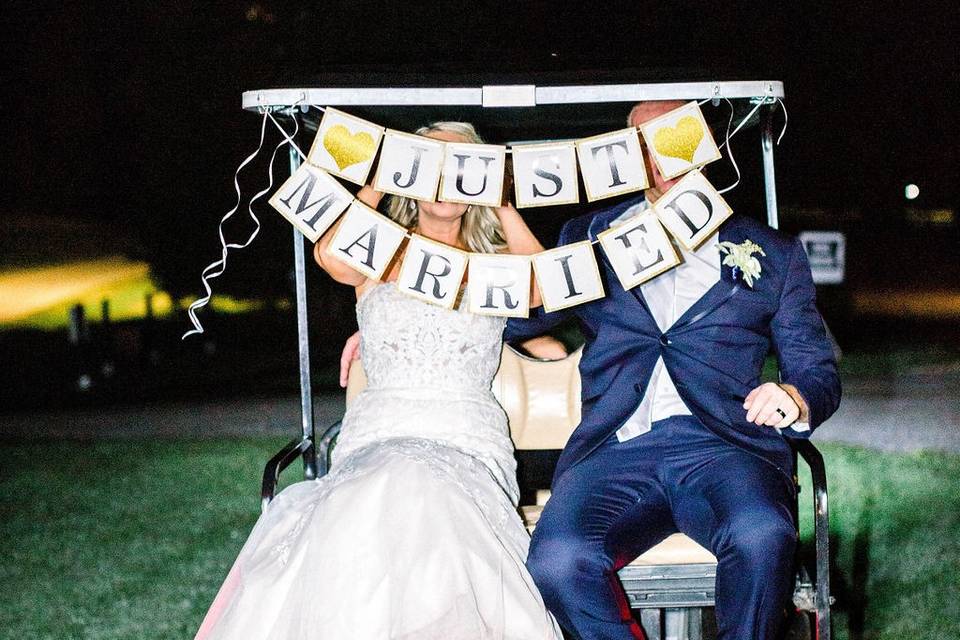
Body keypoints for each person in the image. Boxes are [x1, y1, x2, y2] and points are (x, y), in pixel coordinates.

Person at [337, 101, 842, 639]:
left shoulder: (770, 251)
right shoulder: (589, 237)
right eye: (640, 142)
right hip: (616, 448)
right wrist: (387, 321)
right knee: (557, 559)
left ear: (704, 142)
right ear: (620, 156)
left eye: (673, 135)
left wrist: (795, 394)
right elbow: (527, 313)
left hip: (724, 447)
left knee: (760, 533)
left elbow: (816, 368)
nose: (658, 154)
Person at [195, 122, 562, 640]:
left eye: (461, 170)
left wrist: (499, 194)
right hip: (379, 435)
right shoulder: (381, 253)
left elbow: (544, 288)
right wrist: (385, 174)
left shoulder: (494, 265)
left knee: (420, 492)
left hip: (465, 441)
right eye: (431, 166)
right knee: (382, 491)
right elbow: (330, 254)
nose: (446, 182)